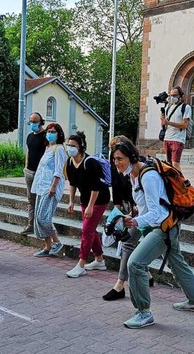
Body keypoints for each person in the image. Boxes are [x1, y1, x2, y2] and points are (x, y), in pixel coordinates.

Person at [112, 137, 194, 329]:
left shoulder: (148, 176)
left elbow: (156, 212)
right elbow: (145, 206)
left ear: (131, 156)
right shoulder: (133, 175)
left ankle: (144, 312)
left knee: (135, 264)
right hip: (163, 226)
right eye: (114, 159)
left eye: (120, 158)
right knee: (177, 263)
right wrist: (132, 215)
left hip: (163, 228)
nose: (116, 163)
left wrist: (135, 221)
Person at [102, 136, 154, 301]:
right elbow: (116, 185)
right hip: (131, 210)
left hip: (145, 214)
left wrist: (135, 212)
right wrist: (117, 207)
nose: (115, 159)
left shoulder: (140, 168)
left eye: (118, 153)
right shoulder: (117, 163)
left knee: (174, 259)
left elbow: (144, 195)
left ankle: (120, 285)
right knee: (128, 243)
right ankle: (127, 282)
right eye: (112, 151)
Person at [65, 131, 109, 278]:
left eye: (73, 146)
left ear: (81, 147)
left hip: (99, 198)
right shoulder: (70, 162)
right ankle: (99, 260)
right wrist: (71, 200)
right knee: (90, 229)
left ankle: (81, 264)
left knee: (87, 231)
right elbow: (72, 183)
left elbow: (96, 186)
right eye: (68, 145)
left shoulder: (90, 162)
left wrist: (90, 206)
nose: (70, 148)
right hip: (85, 199)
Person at [31, 123, 67, 257]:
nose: (50, 134)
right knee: (38, 218)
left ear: (59, 134)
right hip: (41, 186)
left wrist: (53, 187)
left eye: (53, 131)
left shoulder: (59, 149)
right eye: (48, 131)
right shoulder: (48, 148)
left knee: (43, 218)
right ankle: (47, 246)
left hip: (50, 187)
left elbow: (58, 170)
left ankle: (56, 241)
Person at [21, 112, 47, 235]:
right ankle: (30, 224)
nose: (33, 123)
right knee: (30, 200)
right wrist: (26, 166)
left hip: (41, 173)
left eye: (35, 121)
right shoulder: (30, 136)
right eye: (31, 121)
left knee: (40, 200)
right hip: (29, 171)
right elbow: (29, 151)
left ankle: (40, 225)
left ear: (41, 121)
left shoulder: (46, 136)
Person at [160, 86, 191, 171]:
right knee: (169, 164)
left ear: (180, 96)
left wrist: (169, 122)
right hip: (167, 138)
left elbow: (184, 125)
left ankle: (181, 183)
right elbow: (164, 126)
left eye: (175, 95)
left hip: (178, 139)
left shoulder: (186, 107)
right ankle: (172, 182)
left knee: (175, 163)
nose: (173, 97)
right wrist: (162, 119)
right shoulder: (168, 108)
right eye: (171, 95)